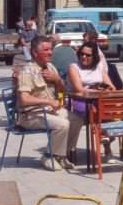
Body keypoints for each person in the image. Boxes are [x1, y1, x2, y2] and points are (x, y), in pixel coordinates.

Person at [14, 35, 82, 171]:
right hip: (30, 115)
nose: (50, 52)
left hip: (49, 111)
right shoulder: (27, 71)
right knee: (63, 124)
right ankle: (48, 156)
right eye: (45, 50)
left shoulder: (51, 67)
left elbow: (62, 92)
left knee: (76, 119)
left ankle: (61, 155)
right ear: (35, 52)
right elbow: (23, 99)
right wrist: (49, 101)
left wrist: (58, 80)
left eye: (50, 49)